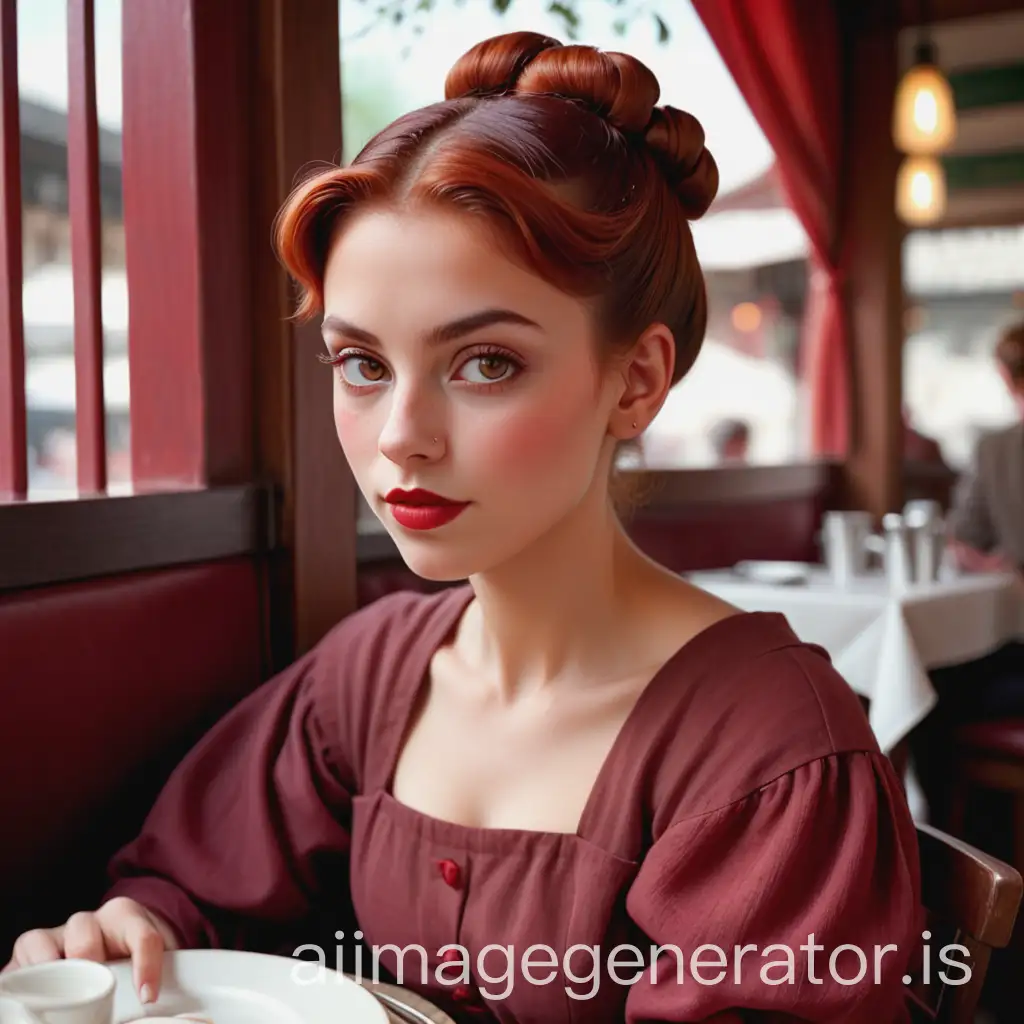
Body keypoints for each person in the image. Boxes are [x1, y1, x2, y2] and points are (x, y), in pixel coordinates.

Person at [4, 32, 922, 1023]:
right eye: (361, 362)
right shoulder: (372, 674)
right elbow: (184, 886)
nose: (402, 438)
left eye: (485, 362)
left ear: (638, 379)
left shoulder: (764, 754)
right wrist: (129, 930)